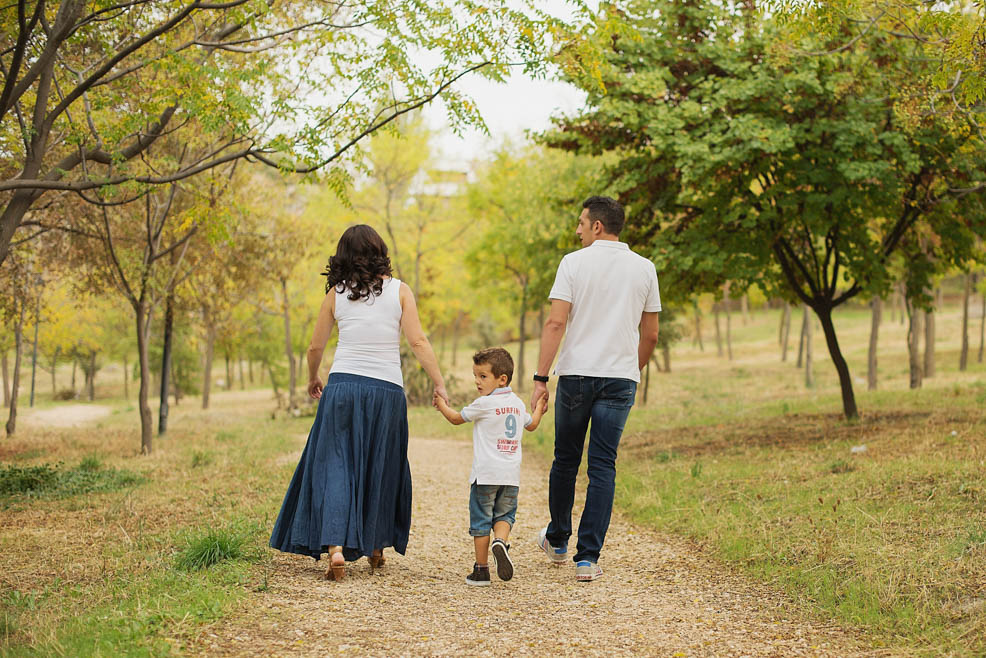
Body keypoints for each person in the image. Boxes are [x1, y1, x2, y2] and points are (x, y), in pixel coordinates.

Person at [269, 224, 448, 581]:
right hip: (386, 390)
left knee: (337, 465)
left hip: (343, 388)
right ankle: (376, 547)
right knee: (381, 463)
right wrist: (439, 382)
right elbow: (418, 342)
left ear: (344, 256)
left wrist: (313, 377)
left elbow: (315, 346)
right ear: (380, 251)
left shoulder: (336, 294)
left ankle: (336, 547)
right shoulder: (400, 291)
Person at [530, 196, 661, 582]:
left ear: (597, 226)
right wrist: (629, 371)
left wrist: (540, 378)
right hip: (620, 379)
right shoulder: (645, 268)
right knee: (603, 464)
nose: (578, 230)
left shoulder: (573, 263)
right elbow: (651, 335)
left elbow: (556, 323)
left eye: (581, 223)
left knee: (566, 460)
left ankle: (557, 540)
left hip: (577, 376)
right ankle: (587, 558)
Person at [433, 347, 546, 586]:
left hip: (485, 475)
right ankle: (500, 542)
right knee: (505, 515)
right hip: (511, 476)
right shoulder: (517, 404)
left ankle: (481, 570)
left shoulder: (484, 403)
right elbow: (532, 424)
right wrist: (539, 408)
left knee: (481, 521)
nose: (477, 381)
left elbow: (456, 418)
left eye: (483, 376)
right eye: (475, 375)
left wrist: (441, 404)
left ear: (502, 379)